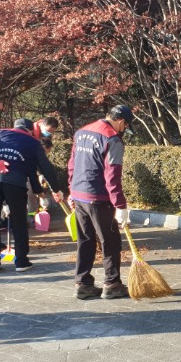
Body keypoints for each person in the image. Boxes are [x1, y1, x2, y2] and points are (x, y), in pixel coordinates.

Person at [0, 118, 63, 273]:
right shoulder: (33, 143)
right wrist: (56, 189)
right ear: (30, 130)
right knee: (19, 222)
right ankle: (21, 262)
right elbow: (45, 168)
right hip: (15, 183)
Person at [68, 105, 134, 300]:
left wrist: (71, 190)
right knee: (110, 241)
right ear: (121, 121)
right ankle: (112, 284)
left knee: (85, 240)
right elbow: (112, 176)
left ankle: (83, 284)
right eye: (125, 126)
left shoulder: (81, 132)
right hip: (99, 198)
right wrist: (120, 205)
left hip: (80, 195)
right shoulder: (112, 139)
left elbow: (72, 164)